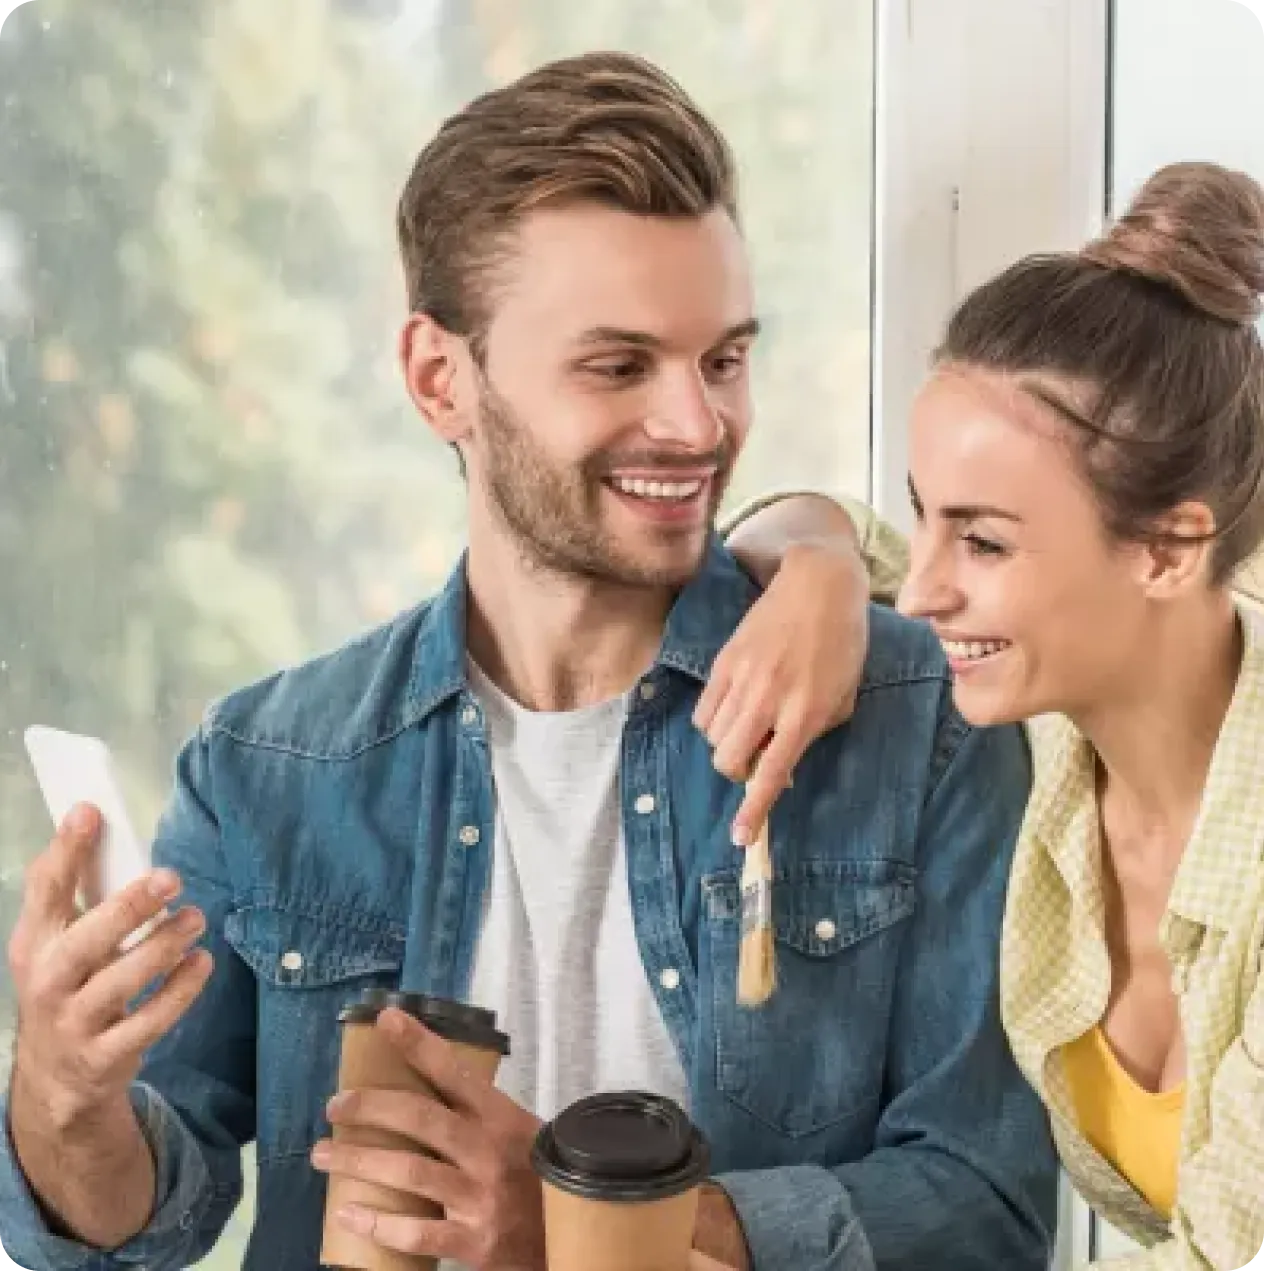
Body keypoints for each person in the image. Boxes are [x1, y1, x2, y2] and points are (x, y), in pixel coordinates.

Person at [0, 52, 1058, 1271]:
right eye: (618, 366)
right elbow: (146, 1214)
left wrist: (596, 1228)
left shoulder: (915, 722)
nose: (698, 424)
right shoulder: (269, 766)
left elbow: (985, 1206)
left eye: (722, 358)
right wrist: (61, 1097)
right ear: (439, 377)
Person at [721, 161, 1264, 1268]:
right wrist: (820, 562)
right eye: (928, 519)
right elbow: (826, 530)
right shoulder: (1062, 722)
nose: (919, 590)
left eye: (982, 541)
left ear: (1167, 548)